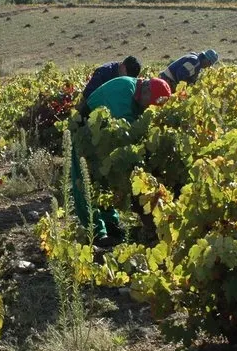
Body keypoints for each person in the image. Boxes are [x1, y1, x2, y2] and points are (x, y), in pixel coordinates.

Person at [72, 76, 172, 246]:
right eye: (151, 104)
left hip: (105, 140)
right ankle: (95, 232)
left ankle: (111, 224)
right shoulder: (124, 90)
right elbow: (126, 130)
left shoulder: (139, 95)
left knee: (106, 183)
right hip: (84, 137)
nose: (149, 108)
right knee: (86, 183)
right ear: (146, 90)